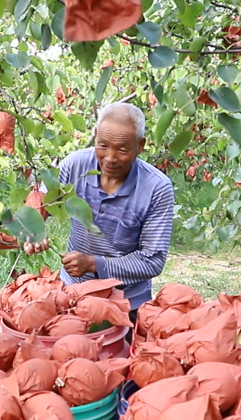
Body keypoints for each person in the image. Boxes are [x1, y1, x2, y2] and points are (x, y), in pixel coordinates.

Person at [24, 102, 175, 336]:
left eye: (122, 150)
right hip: (73, 293)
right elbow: (42, 198)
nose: (110, 158)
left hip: (127, 302)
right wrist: (34, 230)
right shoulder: (75, 166)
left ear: (140, 146)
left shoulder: (157, 188)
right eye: (103, 145)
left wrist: (94, 264)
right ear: (95, 136)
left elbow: (152, 261)